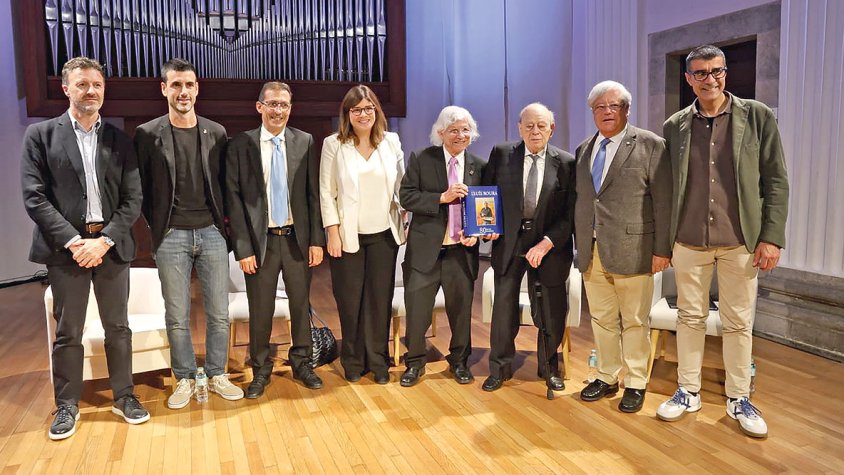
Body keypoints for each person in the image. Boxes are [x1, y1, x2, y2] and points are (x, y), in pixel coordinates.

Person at [656, 45, 789, 439]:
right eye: (700, 73)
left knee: (737, 322)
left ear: (725, 73)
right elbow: (669, 188)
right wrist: (665, 243)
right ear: (689, 79)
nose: (709, 79)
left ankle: (738, 397)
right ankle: (688, 390)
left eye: (716, 71)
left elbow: (776, 181)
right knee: (689, 318)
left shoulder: (757, 116)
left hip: (740, 240)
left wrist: (771, 237)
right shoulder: (674, 126)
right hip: (689, 239)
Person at [21, 57, 149, 440]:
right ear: (66, 89)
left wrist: (104, 240)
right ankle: (67, 405)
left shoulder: (119, 139)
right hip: (67, 250)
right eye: (82, 85)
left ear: (104, 89)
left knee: (118, 328)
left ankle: (124, 396)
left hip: (110, 246)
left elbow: (133, 198)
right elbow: (34, 197)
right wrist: (77, 242)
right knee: (68, 331)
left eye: (97, 84)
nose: (90, 91)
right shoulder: (41, 136)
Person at [135, 58, 243, 408]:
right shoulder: (148, 134)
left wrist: (223, 228)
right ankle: (183, 377)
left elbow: (225, 188)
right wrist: (160, 230)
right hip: (172, 236)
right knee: (177, 314)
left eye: (189, 85)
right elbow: (143, 192)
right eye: (176, 85)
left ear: (197, 89)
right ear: (164, 89)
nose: (184, 92)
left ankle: (216, 373)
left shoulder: (217, 132)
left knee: (218, 312)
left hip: (211, 233)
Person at [574, 81, 672, 413]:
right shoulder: (584, 149)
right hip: (592, 250)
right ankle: (606, 375)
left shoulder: (650, 145)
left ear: (626, 110)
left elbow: (663, 202)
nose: (606, 112)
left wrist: (662, 249)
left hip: (635, 249)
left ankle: (636, 382)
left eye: (613, 106)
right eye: (599, 107)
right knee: (601, 319)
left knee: (634, 320)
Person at [225, 82, 325, 396]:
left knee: (300, 306)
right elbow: (234, 200)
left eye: (283, 105)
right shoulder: (241, 144)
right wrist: (242, 247)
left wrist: (316, 240)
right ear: (259, 107)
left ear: (290, 108)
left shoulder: (304, 141)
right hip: (260, 243)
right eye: (272, 104)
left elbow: (313, 195)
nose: (277, 111)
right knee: (261, 309)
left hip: (296, 239)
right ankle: (260, 369)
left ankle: (302, 363)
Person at [481, 103, 576, 392]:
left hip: (549, 242)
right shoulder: (501, 154)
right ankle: (499, 368)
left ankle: (549, 369)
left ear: (552, 129)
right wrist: (488, 227)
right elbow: (486, 195)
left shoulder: (568, 162)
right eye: (529, 125)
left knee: (551, 308)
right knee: (504, 308)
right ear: (520, 128)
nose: (535, 131)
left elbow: (570, 213)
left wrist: (547, 243)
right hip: (509, 241)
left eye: (541, 126)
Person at [319, 85, 406, 384]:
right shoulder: (334, 144)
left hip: (384, 234)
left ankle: (379, 361)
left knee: (379, 300)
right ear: (348, 114)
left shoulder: (391, 142)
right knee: (350, 300)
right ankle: (353, 361)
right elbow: (326, 192)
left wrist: (410, 210)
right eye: (356, 109)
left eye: (368, 108)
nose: (363, 114)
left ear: (377, 111)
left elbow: (402, 187)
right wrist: (332, 232)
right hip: (348, 236)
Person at [398, 106, 486, 387]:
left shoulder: (479, 166)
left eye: (465, 130)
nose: (460, 135)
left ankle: (459, 362)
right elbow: (407, 197)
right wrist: (442, 197)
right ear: (441, 133)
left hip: (461, 253)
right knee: (418, 310)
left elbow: (487, 209)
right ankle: (414, 362)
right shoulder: (422, 159)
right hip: (425, 252)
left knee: (460, 313)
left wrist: (478, 233)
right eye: (454, 130)